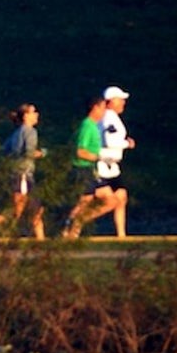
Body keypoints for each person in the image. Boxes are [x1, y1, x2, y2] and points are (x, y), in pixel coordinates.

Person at [63, 87, 134, 239]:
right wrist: (126, 144)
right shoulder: (96, 123)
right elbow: (82, 149)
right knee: (90, 201)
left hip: (102, 167)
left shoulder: (95, 123)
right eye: (120, 99)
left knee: (116, 198)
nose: (123, 102)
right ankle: (73, 226)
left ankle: (73, 229)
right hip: (92, 168)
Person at [0, 103, 45, 240]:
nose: (37, 114)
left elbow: (4, 150)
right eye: (33, 112)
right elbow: (29, 152)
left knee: (35, 208)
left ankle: (41, 240)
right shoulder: (30, 131)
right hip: (24, 174)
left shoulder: (16, 133)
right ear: (26, 116)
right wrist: (43, 153)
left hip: (16, 173)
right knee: (19, 209)